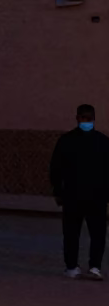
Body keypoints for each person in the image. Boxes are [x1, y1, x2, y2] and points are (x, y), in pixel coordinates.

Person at [49, 104, 109, 280]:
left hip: (88, 196)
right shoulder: (99, 141)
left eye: (88, 118)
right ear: (77, 118)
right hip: (77, 196)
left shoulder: (100, 142)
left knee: (93, 233)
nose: (86, 121)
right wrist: (59, 192)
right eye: (84, 117)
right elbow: (56, 168)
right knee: (73, 233)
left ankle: (91, 266)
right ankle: (76, 266)